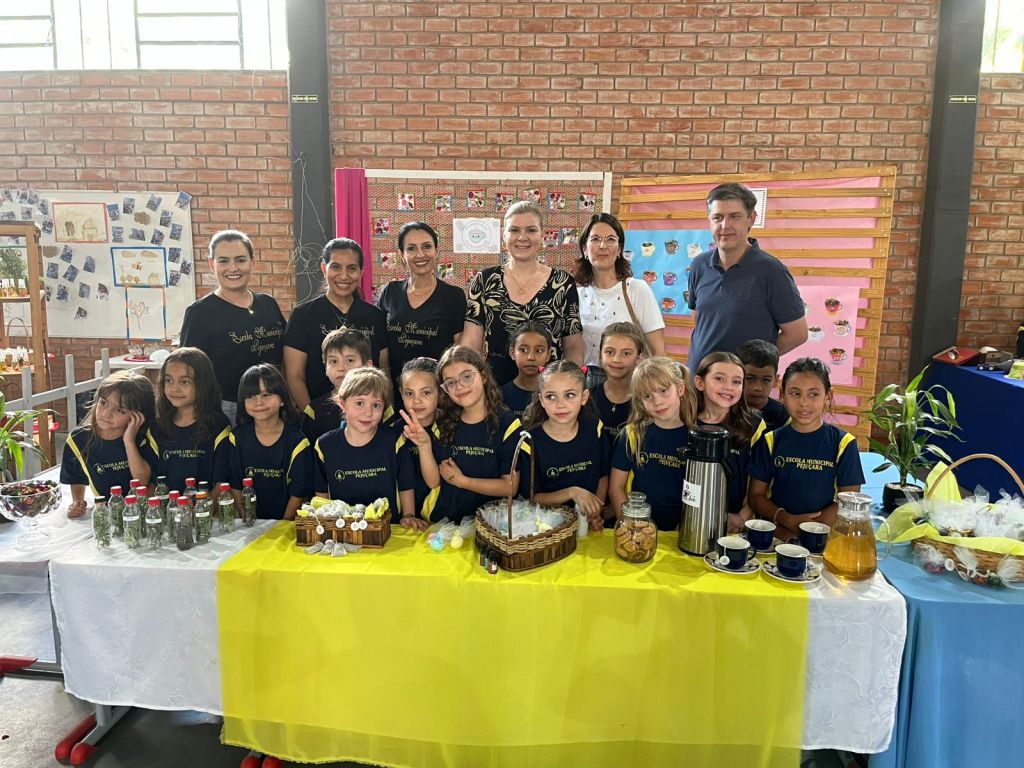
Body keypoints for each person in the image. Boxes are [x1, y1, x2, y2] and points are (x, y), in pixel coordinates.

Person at [686, 183, 807, 370]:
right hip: (698, 380)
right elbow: (699, 320)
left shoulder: (772, 271)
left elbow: (797, 334)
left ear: (751, 219)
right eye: (717, 217)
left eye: (735, 216)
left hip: (743, 384)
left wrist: (754, 363)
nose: (725, 225)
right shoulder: (698, 265)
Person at [463, 201, 583, 385]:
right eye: (514, 230)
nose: (522, 237)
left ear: (542, 235)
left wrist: (569, 387)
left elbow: (573, 346)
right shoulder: (484, 280)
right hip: (495, 390)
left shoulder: (563, 283)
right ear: (504, 235)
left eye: (531, 230)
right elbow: (471, 344)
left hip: (548, 392)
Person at [748, 357, 864, 541]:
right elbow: (756, 496)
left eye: (813, 394)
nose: (803, 402)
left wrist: (807, 531)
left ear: (828, 396)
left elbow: (849, 500)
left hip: (822, 538)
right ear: (782, 395)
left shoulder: (843, 443)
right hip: (778, 535)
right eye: (795, 393)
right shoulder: (770, 441)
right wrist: (787, 520)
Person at [403, 346, 521, 524]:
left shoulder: (508, 424)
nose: (459, 386)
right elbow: (434, 482)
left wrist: (464, 482)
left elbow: (509, 487)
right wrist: (424, 445)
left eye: (466, 377)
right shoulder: (444, 423)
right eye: (450, 382)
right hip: (445, 522)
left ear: (483, 375)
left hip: (491, 525)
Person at [179, 229, 286, 425]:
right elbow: (187, 371)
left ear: (253, 262)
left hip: (275, 403)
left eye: (240, 260)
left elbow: (286, 355)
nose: (233, 268)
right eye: (224, 261)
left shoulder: (268, 304)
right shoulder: (199, 313)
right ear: (211, 264)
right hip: (227, 410)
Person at [283, 238, 388, 410]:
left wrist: (384, 413)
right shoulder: (302, 316)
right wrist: (312, 415)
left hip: (368, 415)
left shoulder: (375, 316)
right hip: (319, 414)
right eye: (336, 267)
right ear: (324, 269)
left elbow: (384, 371)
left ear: (361, 272)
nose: (344, 276)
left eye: (352, 268)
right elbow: (294, 376)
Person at [314, 367, 418, 527]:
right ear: (342, 403)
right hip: (343, 531)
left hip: (389, 530)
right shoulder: (324, 445)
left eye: (376, 405)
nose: (368, 412)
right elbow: (322, 495)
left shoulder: (395, 440)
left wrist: (409, 515)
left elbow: (406, 485)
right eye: (359, 403)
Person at [518, 360, 610, 532]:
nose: (560, 404)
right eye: (551, 396)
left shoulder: (595, 429)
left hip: (587, 525)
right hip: (546, 530)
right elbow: (532, 498)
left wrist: (595, 511)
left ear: (584, 397)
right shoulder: (529, 442)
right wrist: (572, 492)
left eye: (570, 395)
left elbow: (602, 476)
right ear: (541, 400)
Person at [609, 357, 697, 531]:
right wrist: (630, 527)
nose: (657, 402)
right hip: (638, 527)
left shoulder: (697, 438)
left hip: (683, 529)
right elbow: (616, 488)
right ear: (640, 402)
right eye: (648, 396)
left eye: (663, 391)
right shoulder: (632, 434)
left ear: (680, 388)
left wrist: (687, 527)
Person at [377, 222, 466, 384]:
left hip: (438, 391)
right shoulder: (390, 292)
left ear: (436, 251)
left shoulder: (453, 296)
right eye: (411, 248)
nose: (420, 254)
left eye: (427, 247)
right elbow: (382, 347)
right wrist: (386, 384)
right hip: (396, 389)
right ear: (402, 255)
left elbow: (459, 352)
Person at [62, 370, 157, 517]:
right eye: (103, 403)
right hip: (108, 514)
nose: (106, 414)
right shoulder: (78, 439)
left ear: (138, 415)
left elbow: (142, 481)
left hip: (143, 513)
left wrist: (129, 441)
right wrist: (77, 502)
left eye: (120, 410)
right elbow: (76, 476)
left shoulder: (145, 436)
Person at [574, 212, 665, 365]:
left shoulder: (636, 289)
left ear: (619, 250)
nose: (603, 246)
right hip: (589, 378)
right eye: (595, 239)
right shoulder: (577, 295)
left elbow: (659, 353)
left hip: (631, 378)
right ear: (584, 249)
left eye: (610, 239)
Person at [692, 352, 766, 533]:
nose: (728, 387)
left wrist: (742, 517)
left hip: (736, 524)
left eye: (736, 382)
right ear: (700, 382)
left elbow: (762, 479)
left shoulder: (754, 425)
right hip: (689, 519)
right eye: (719, 379)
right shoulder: (686, 421)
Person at [229, 364, 313, 521]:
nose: (258, 402)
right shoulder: (236, 438)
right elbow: (235, 485)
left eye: (266, 395)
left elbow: (298, 493)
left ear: (282, 400)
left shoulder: (297, 442)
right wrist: (247, 520)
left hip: (285, 524)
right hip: (249, 524)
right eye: (250, 396)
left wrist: (281, 525)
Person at [150, 347, 232, 492]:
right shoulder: (157, 426)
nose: (174, 388)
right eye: (169, 380)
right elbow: (150, 483)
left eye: (185, 382)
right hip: (166, 505)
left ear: (203, 384)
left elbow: (221, 484)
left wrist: (201, 506)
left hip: (206, 505)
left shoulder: (218, 426)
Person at [300, 327, 371, 444]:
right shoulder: (314, 410)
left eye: (349, 360)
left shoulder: (378, 404)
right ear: (325, 368)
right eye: (333, 361)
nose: (341, 368)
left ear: (367, 366)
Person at [395, 357, 441, 521]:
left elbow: (434, 483)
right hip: (405, 520)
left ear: (440, 391)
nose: (416, 400)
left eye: (426, 392)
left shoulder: (451, 426)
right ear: (401, 393)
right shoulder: (394, 432)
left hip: (442, 518)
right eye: (409, 393)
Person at [590, 322, 644, 437]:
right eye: (610, 352)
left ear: (639, 358)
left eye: (626, 353)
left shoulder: (646, 400)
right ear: (600, 355)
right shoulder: (589, 398)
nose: (616, 359)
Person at [501, 321, 553, 420]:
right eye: (523, 350)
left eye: (538, 351)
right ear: (512, 352)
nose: (531, 357)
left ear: (548, 354)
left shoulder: (555, 393)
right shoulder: (500, 396)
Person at [736, 339, 788, 432]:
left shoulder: (784, 417)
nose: (758, 388)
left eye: (766, 380)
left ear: (775, 380)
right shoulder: (725, 409)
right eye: (750, 379)